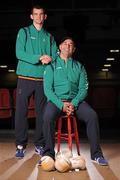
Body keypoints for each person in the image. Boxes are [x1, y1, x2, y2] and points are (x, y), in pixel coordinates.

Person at [40, 37, 108, 166]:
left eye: (71, 44)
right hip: (56, 102)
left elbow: (83, 89)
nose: (68, 46)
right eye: (65, 43)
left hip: (75, 102)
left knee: (92, 115)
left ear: (74, 49)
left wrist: (74, 103)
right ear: (60, 47)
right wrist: (61, 104)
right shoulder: (51, 66)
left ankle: (96, 155)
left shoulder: (79, 67)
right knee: (47, 116)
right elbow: (48, 90)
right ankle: (48, 154)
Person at [15, 4, 58, 158]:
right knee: (21, 112)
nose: (39, 17)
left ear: (45, 17)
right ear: (31, 16)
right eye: (36, 14)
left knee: (42, 114)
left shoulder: (49, 37)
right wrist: (39, 57)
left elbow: (55, 57)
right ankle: (20, 144)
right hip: (25, 78)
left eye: (41, 14)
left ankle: (39, 144)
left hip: (42, 80)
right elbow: (19, 53)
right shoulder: (24, 32)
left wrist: (50, 58)